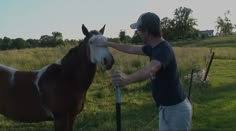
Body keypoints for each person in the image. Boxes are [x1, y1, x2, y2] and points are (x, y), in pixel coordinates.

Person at [93, 12, 192, 130]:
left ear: (147, 31)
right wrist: (107, 43)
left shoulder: (163, 50)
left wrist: (127, 79)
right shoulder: (153, 47)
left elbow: (150, 70)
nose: (138, 33)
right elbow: (131, 48)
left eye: (139, 30)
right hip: (164, 108)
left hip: (177, 111)